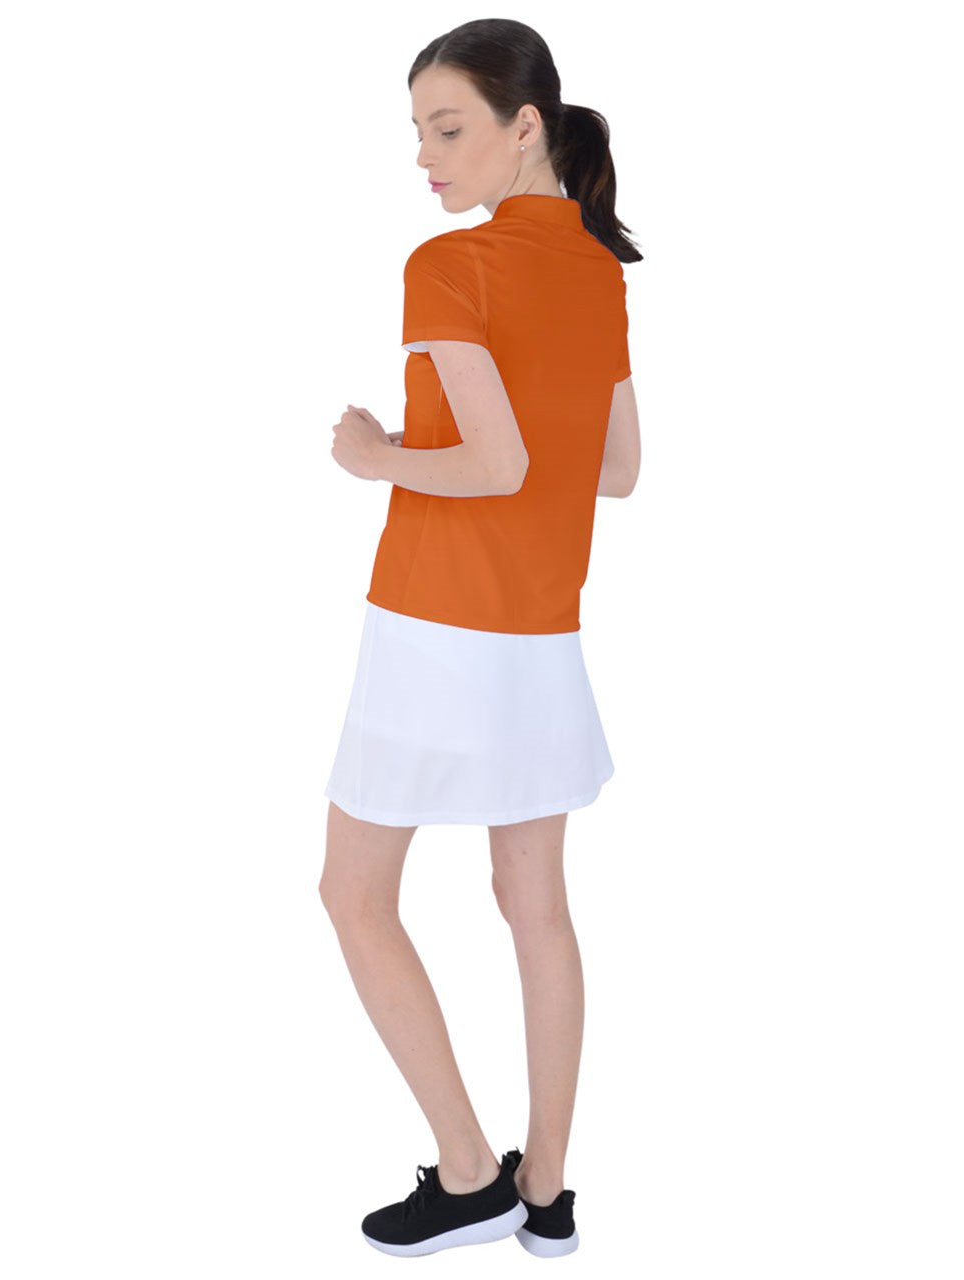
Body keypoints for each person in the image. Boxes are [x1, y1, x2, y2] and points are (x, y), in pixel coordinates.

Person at [318, 18, 642, 1259]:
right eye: (416, 133)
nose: (425, 157)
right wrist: (445, 447)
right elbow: (611, 468)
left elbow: (496, 462)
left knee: (353, 893)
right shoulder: (598, 272)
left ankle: (468, 1173)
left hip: (432, 623)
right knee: (534, 902)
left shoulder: (447, 264)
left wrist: (373, 455)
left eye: (447, 129)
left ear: (525, 126)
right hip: (539, 635)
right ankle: (544, 1190)